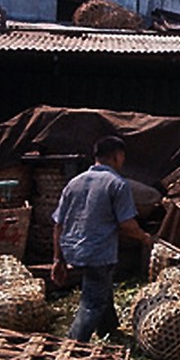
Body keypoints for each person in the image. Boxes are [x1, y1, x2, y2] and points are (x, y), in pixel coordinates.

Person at [52, 135, 152, 342]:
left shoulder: (73, 183)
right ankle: (72, 345)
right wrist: (145, 237)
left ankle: (108, 329)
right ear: (117, 156)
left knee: (101, 287)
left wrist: (57, 259)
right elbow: (126, 224)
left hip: (72, 248)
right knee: (92, 303)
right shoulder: (117, 184)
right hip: (97, 252)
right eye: (122, 157)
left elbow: (58, 224)